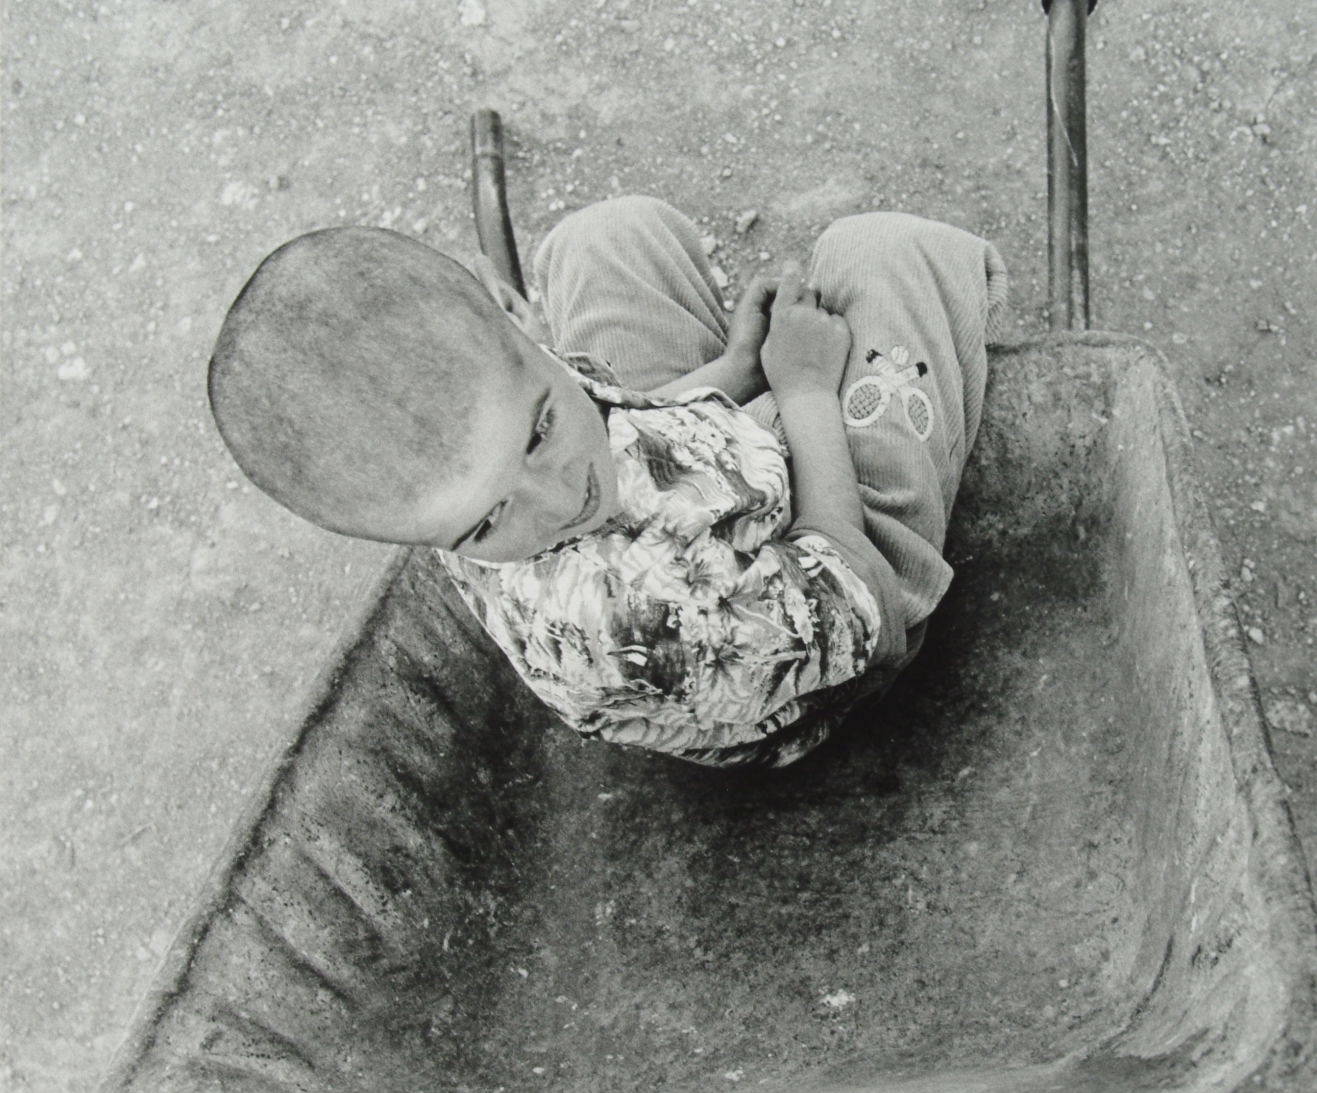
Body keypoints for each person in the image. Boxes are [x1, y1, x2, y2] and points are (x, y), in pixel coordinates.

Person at [208, 196, 1007, 768]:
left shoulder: (469, 462)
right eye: (486, 524)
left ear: (514, 316)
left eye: (540, 431)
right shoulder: (634, 620)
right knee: (884, 253)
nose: (563, 505)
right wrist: (800, 391)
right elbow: (855, 596)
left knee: (605, 237)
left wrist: (736, 370)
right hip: (824, 611)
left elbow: (629, 423)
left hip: (702, 479)